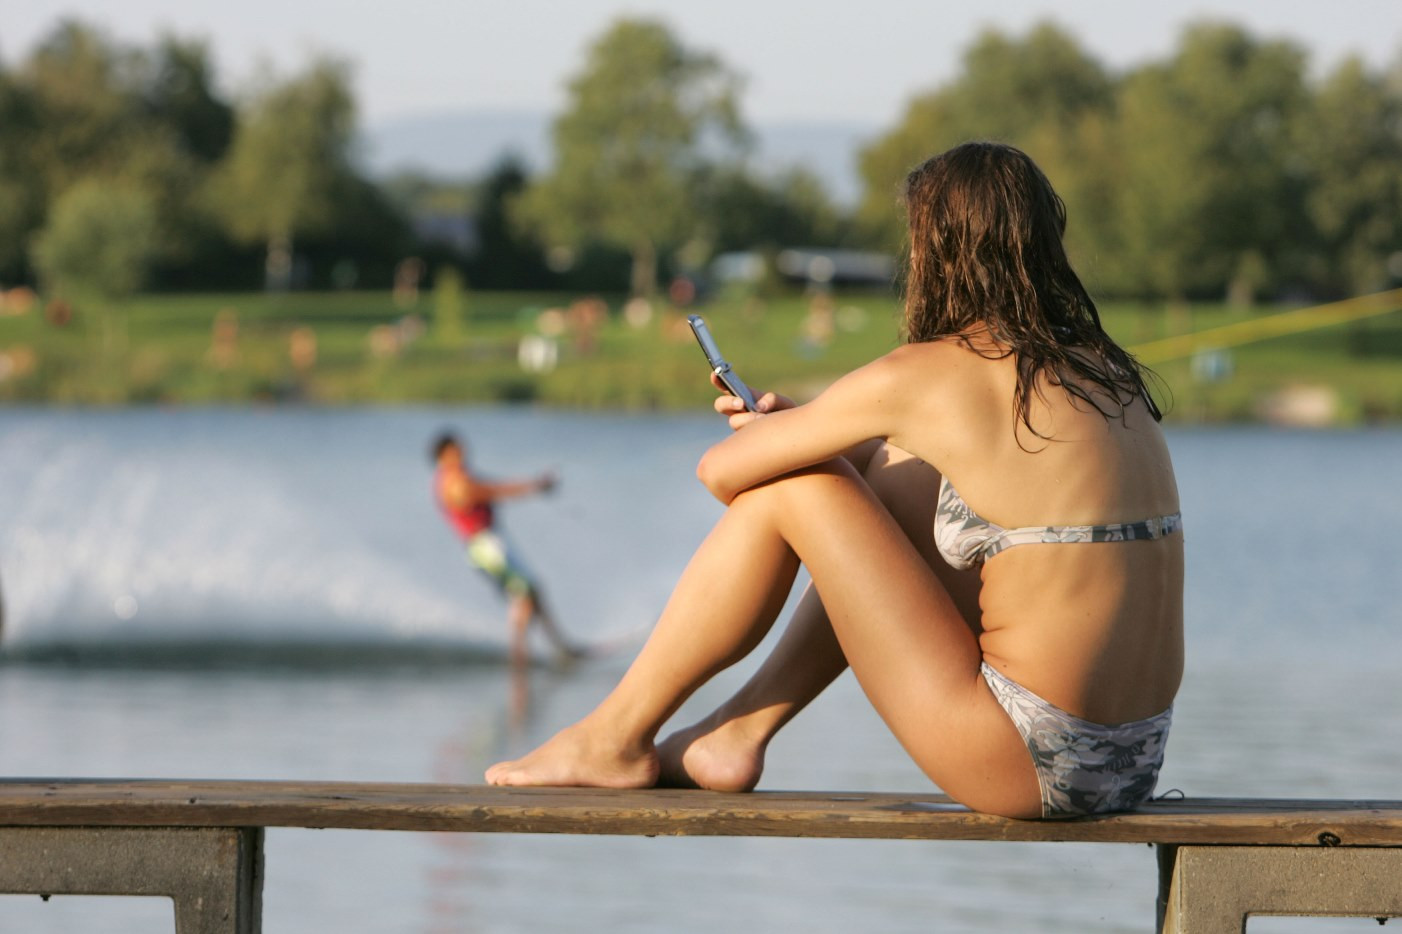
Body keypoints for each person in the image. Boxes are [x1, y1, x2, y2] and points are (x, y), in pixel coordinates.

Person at [485, 142, 1183, 820]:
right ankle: (738, 731)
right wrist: (812, 436)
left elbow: (721, 475)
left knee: (797, 489)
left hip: (1024, 760)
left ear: (934, 251)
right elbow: (938, 481)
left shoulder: (930, 373)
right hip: (1134, 762)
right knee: (893, 480)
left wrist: (786, 445)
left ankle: (614, 736)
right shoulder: (1106, 373)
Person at [431, 432, 581, 669]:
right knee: (524, 596)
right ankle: (519, 664)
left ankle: (563, 649)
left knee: (533, 592)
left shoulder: (457, 477)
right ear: (445, 453)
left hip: (490, 543)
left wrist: (534, 486)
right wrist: (535, 486)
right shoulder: (453, 481)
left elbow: (493, 488)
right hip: (485, 546)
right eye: (457, 449)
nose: (464, 452)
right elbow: (493, 491)